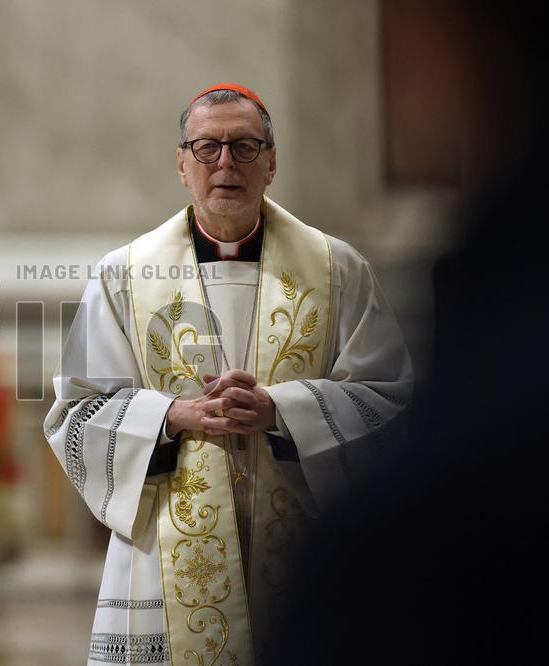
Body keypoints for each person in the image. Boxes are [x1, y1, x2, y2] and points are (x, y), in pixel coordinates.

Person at [44, 83, 413, 665]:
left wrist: (282, 411)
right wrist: (169, 415)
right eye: (207, 148)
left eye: (244, 147)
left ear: (271, 163)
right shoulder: (122, 276)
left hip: (302, 549)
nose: (225, 164)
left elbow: (390, 402)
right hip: (167, 560)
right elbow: (74, 415)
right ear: (181, 165)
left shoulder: (338, 269)